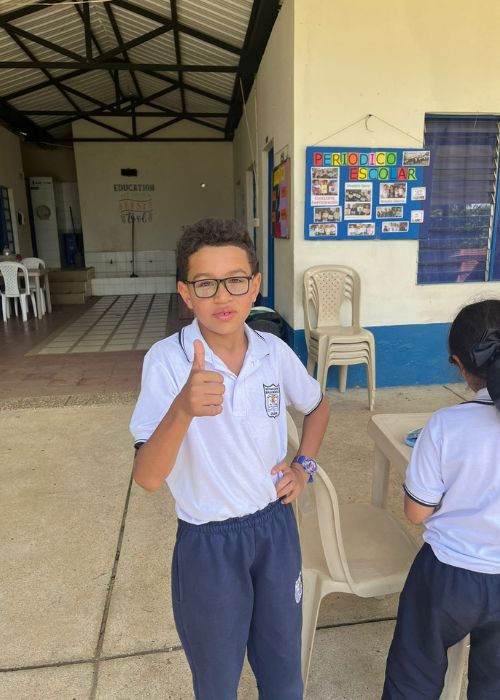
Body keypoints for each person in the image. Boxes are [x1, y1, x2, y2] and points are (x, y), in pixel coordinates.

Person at [130, 218, 330, 700]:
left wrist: (304, 466)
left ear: (255, 285)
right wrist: (183, 408)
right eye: (206, 284)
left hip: (275, 529)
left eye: (236, 280)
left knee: (284, 676)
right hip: (209, 544)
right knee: (217, 681)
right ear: (186, 292)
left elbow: (318, 405)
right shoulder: (166, 360)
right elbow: (148, 478)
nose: (223, 297)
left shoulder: (274, 352)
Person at [382, 299, 500, 700]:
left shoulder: (445, 425)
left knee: (412, 675)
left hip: (448, 578)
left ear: (459, 364)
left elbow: (416, 513)